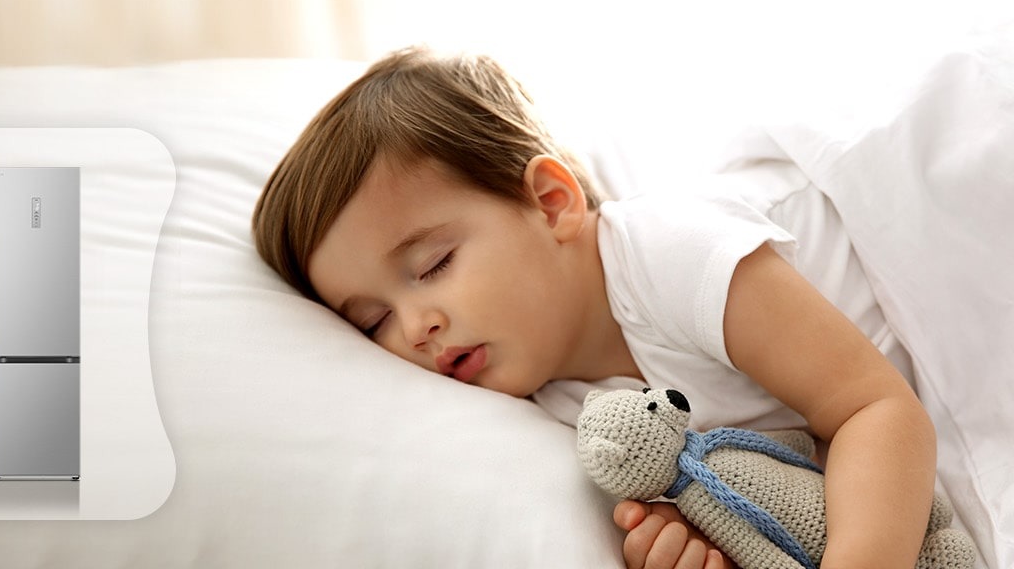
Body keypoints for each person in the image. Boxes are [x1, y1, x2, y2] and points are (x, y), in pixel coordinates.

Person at [252, 46, 936, 569]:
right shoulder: (551, 407)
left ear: (551, 204)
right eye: (372, 321)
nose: (414, 327)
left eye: (433, 265)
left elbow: (871, 408)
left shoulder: (671, 254)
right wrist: (701, 538)